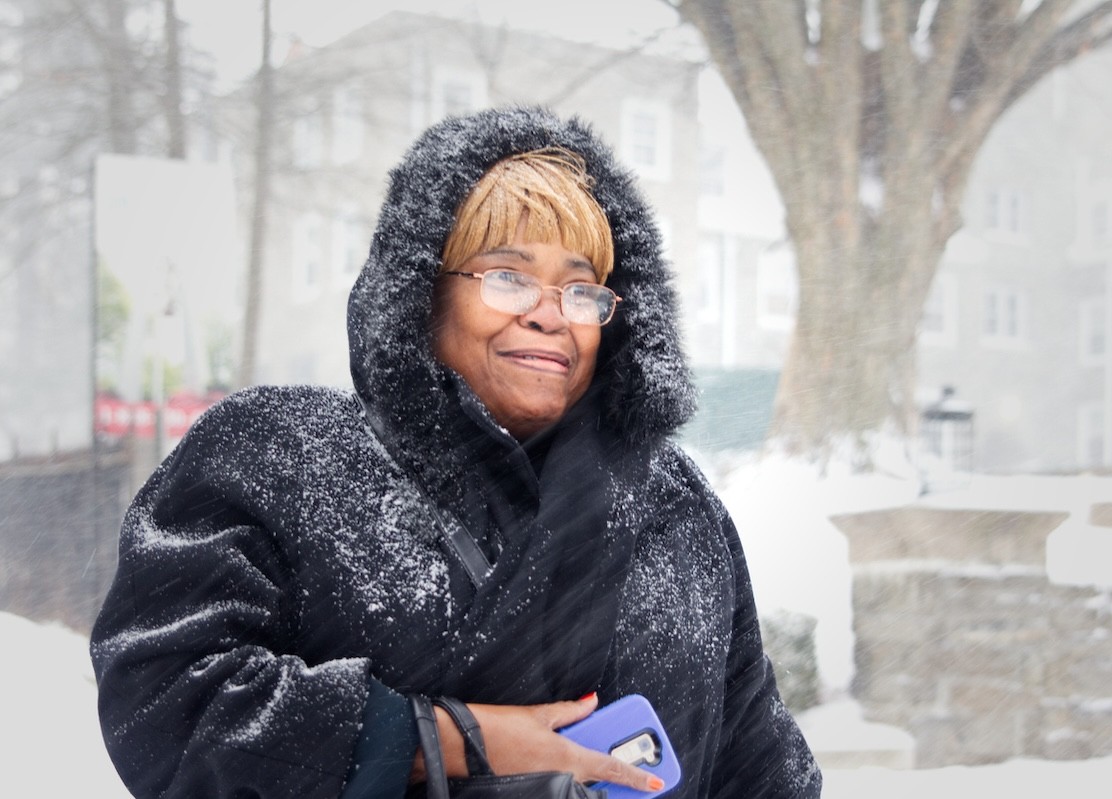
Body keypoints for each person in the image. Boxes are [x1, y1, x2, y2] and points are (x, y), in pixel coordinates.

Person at [90, 105, 822, 798]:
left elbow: (758, 760)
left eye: (580, 289)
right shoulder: (281, 457)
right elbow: (164, 695)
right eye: (507, 276)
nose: (548, 314)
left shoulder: (676, 512)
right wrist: (437, 741)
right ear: (422, 292)